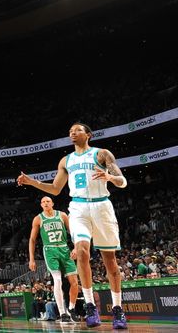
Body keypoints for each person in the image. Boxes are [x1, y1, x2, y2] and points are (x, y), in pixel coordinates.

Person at [18, 122, 128, 329]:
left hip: (102, 206)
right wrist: (31, 181)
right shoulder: (65, 160)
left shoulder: (102, 154)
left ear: (88, 134)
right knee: (82, 251)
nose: (72, 133)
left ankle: (117, 310)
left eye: (77, 130)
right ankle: (89, 306)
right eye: (70, 131)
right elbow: (55, 188)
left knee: (111, 263)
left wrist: (110, 177)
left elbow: (123, 182)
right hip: (78, 208)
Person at [27, 196, 80, 322]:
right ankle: (62, 313)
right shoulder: (38, 219)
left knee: (74, 282)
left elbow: (73, 233)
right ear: (41, 205)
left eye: (48, 201)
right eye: (43, 202)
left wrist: (76, 248)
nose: (45, 203)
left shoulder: (62, 215)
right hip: (50, 250)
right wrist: (31, 259)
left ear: (52, 203)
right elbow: (32, 240)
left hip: (64, 249)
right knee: (57, 280)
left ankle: (71, 309)